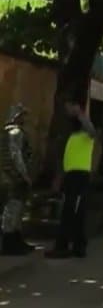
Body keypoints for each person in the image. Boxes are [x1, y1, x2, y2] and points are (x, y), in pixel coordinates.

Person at [45, 101, 97, 259]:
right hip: (70, 177)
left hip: (80, 177)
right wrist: (59, 178)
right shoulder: (72, 137)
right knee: (70, 212)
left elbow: (92, 130)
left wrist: (80, 113)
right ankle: (75, 246)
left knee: (73, 212)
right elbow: (66, 160)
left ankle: (66, 246)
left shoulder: (87, 135)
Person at [0, 104, 35, 255]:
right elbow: (16, 156)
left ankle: (15, 240)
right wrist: (25, 175)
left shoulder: (4, 133)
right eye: (22, 115)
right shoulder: (15, 132)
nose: (25, 119)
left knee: (13, 209)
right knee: (14, 210)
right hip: (14, 177)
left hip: (7, 176)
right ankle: (10, 243)